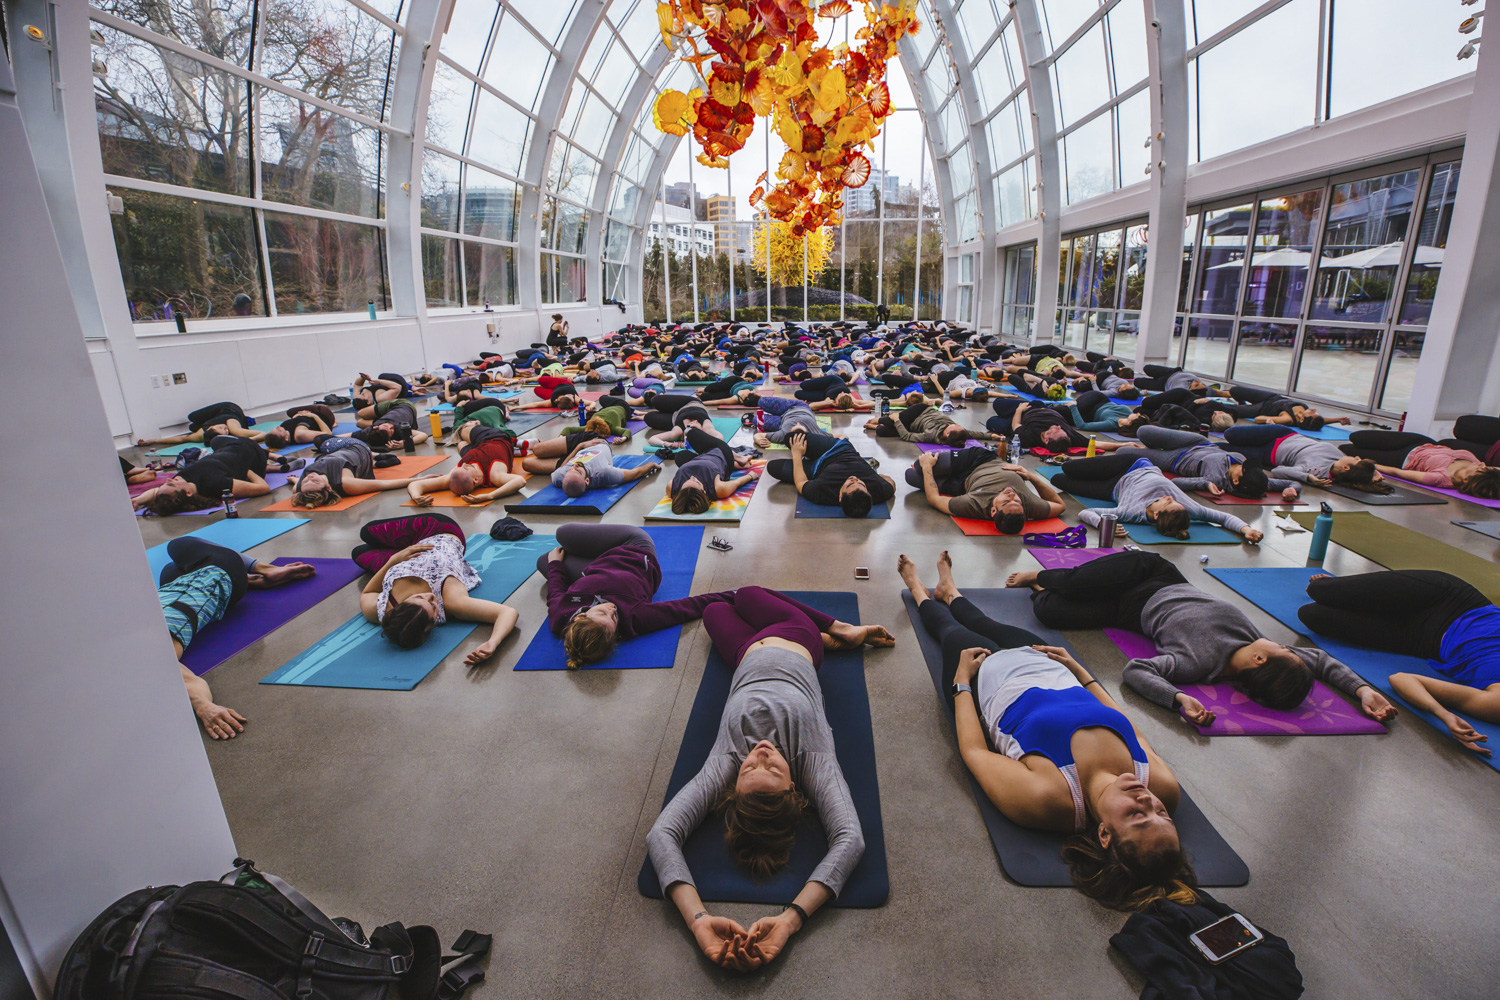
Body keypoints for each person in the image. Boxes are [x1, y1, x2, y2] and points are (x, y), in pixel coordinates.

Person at [899, 551, 1195, 911]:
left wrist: (961, 682)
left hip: (989, 682)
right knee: (985, 621)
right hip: (1050, 670)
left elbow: (975, 753)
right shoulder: (1162, 786)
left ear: (1104, 833)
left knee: (951, 632)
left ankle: (917, 590)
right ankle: (950, 590)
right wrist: (1081, 672)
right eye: (1161, 814)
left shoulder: (1049, 798)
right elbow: (1133, 731)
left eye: (1135, 815)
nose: (1148, 801)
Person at [646, 586, 893, 971]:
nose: (760, 754)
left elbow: (661, 835)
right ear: (794, 785)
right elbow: (850, 840)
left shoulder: (724, 761)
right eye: (773, 768)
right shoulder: (813, 758)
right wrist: (790, 920)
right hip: (795, 637)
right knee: (744, 595)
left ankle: (836, 637)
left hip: (744, 654)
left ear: (734, 785)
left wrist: (698, 922)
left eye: (750, 770)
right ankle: (837, 631)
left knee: (715, 609)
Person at [1005, 550, 1396, 726]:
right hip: (1153, 574)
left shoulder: (1198, 666)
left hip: (1128, 612)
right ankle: (1037, 575)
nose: (1282, 645)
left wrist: (1177, 698)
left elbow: (1136, 670)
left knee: (1049, 611)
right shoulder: (1255, 643)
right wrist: (1362, 690)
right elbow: (1322, 662)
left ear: (1261, 662)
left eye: (1280, 650)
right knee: (1072, 583)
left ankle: (1046, 588)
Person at [1298, 570, 1498, 755]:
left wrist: (1444, 714)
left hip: (1422, 640)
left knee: (1311, 615)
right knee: (1320, 589)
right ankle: (1343, 587)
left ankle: (1353, 593)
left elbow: (1402, 679)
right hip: (1455, 602)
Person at [158, 536, 315, 739]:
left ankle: (251, 580)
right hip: (220, 573)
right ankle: (265, 569)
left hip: (174, 585)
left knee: (170, 570)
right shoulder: (155, 651)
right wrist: (204, 706)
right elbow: (189, 682)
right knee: (178, 544)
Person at [540, 523, 737, 668]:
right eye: (614, 619)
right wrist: (735, 595)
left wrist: (555, 564)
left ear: (581, 616)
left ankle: (580, 553)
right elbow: (686, 607)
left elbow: (556, 590)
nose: (612, 609)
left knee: (550, 554)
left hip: (600, 562)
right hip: (633, 546)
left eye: (602, 614)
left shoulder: (561, 615)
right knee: (559, 544)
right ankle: (587, 551)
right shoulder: (636, 616)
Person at [353, 513, 519, 662]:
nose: (428, 595)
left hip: (421, 539)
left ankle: (395, 548)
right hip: (442, 532)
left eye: (421, 599)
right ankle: (396, 547)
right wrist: (493, 642)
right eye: (432, 604)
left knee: (362, 542)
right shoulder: (453, 602)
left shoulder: (379, 609)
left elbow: (368, 592)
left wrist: (393, 561)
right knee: (363, 542)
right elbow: (507, 612)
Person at [1049, 456, 1264, 543]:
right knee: (1068, 466)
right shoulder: (1190, 508)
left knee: (1060, 479)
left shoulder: (1130, 513)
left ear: (1158, 514)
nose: (1170, 496)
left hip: (1113, 488)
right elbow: (1224, 518)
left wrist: (1106, 525)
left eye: (1168, 501)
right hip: (1133, 466)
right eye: (1173, 499)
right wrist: (1246, 530)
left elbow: (1084, 512)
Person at [1120, 426, 1299, 501]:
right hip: (1199, 443)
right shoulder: (1261, 481)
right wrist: (1292, 489)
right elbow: (1293, 483)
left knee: (1123, 453)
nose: (1241, 465)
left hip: (1175, 459)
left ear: (1236, 481)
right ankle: (1152, 446)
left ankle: (1152, 449)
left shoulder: (1217, 481)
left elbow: (1175, 483)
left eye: (1241, 470)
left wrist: (1205, 483)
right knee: (1143, 431)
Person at [906, 449, 1064, 531]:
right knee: (918, 465)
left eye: (1007, 501)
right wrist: (1031, 477)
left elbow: (934, 499)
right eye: (1017, 501)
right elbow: (1059, 505)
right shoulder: (1029, 506)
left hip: (962, 485)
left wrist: (928, 467)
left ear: (993, 511)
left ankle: (933, 469)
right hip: (980, 460)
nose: (1012, 495)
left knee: (912, 474)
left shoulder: (973, 506)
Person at [1220, 425, 1391, 493]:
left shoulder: (1315, 472)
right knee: (1230, 433)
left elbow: (1278, 471)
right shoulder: (1340, 458)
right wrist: (1374, 474)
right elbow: (1362, 472)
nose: (1355, 457)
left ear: (1347, 469)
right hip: (1282, 434)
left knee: (1220, 448)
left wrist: (1307, 478)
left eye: (1355, 461)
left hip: (1267, 454)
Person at [132, 436, 276, 515]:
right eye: (171, 484)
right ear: (188, 493)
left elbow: (157, 493)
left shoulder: (182, 479)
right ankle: (272, 460)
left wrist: (137, 501)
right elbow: (263, 488)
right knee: (215, 438)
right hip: (251, 452)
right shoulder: (217, 485)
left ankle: (274, 465)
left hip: (225, 449)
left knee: (214, 440)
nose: (169, 479)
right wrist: (247, 470)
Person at [768, 429, 895, 517]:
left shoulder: (822, 491)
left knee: (773, 467)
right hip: (837, 449)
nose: (855, 478)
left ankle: (809, 454)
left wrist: (797, 454)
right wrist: (878, 476)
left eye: (850, 484)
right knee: (790, 437)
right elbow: (891, 483)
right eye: (861, 484)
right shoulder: (878, 490)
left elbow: (801, 482)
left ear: (840, 497)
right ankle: (837, 437)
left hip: (815, 469)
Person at [1341, 431, 1500, 498]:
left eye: (1482, 469)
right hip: (1421, 442)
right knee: (1357, 436)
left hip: (1401, 457)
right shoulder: (1475, 464)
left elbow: (1397, 473)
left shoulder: (1440, 478)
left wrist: (1366, 464)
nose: (1482, 464)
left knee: (1348, 449)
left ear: (1467, 479)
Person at [407, 426, 529, 506]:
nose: (464, 464)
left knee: (461, 443)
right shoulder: (494, 475)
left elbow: (415, 484)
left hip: (475, 448)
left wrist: (416, 496)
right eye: (466, 468)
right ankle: (514, 443)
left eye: (461, 466)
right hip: (495, 437)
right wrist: (489, 496)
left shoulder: (455, 474)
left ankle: (515, 447)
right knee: (462, 430)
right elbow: (520, 481)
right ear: (475, 480)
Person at [291, 437, 416, 508]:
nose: (310, 476)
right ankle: (374, 456)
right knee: (321, 441)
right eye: (315, 481)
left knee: (323, 451)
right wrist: (418, 480)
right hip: (357, 447)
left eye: (305, 480)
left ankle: (376, 460)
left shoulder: (300, 487)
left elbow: (297, 485)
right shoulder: (345, 483)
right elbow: (384, 484)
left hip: (336, 455)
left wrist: (293, 479)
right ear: (329, 487)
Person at [665, 428, 761, 515]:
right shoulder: (719, 489)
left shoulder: (672, 487)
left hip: (698, 458)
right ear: (704, 491)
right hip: (720, 453)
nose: (692, 477)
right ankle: (738, 458)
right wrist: (750, 476)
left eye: (687, 481)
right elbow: (737, 482)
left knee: (679, 456)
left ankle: (737, 464)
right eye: (697, 482)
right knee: (692, 433)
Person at [549, 439, 662, 497]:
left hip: (583, 444)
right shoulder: (604, 473)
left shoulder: (558, 476)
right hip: (599, 441)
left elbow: (561, 468)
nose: (574, 466)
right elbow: (634, 474)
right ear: (587, 481)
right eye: (578, 471)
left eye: (569, 469)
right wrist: (650, 464)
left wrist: (579, 446)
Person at [864, 397, 996, 446]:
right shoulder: (960, 432)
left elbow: (907, 436)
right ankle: (879, 420)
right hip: (921, 410)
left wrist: (896, 419)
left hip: (912, 425)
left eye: (953, 426)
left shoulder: (930, 436)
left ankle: (878, 425)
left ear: (948, 434)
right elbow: (975, 434)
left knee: (883, 431)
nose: (955, 424)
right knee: (889, 421)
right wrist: (992, 436)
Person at [137, 401, 263, 447]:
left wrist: (154, 440)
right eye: (222, 428)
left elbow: (182, 438)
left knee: (192, 423)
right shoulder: (232, 427)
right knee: (192, 421)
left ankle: (244, 419)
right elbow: (262, 434)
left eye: (225, 430)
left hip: (224, 411)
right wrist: (153, 440)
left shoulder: (231, 427)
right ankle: (244, 419)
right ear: (209, 428)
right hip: (228, 410)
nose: (225, 428)